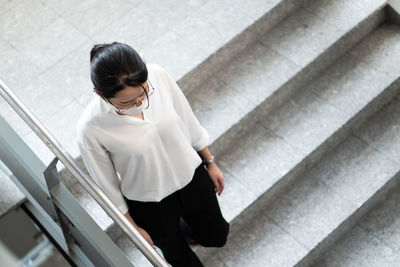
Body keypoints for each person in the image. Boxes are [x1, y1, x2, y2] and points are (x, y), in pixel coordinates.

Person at [76, 42, 230, 266]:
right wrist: (132, 227)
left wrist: (210, 161)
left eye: (144, 93)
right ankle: (174, 234)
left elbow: (188, 120)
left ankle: (184, 230)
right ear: (99, 94)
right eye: (127, 103)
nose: (139, 103)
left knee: (216, 235)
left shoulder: (158, 75)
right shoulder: (90, 128)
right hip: (149, 203)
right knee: (179, 258)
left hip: (191, 178)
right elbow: (106, 185)